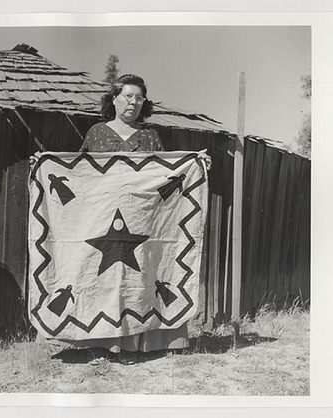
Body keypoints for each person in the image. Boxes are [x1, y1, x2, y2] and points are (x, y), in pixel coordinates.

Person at [31, 74, 210, 364]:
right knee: (100, 279)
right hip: (100, 223)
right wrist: (43, 165)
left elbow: (163, 175)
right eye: (128, 96)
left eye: (139, 98)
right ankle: (102, 344)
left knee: (139, 278)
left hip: (141, 223)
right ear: (114, 99)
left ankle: (141, 344)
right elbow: (80, 174)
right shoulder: (97, 133)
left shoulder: (150, 135)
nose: (133, 102)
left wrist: (196, 166)